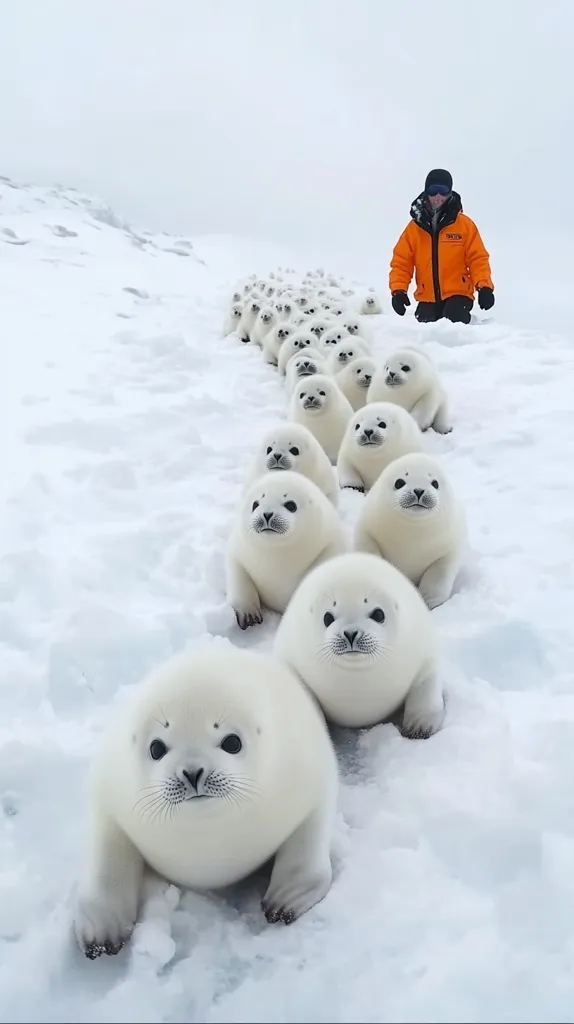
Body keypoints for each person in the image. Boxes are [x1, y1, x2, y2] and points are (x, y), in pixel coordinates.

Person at [389, 169, 494, 325]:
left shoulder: (464, 225)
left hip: (458, 294)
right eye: (433, 191)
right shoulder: (414, 229)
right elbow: (402, 261)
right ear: (426, 192)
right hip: (427, 297)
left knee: (453, 319)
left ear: (449, 193)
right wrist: (398, 290)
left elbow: (477, 258)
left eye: (443, 191)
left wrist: (484, 286)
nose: (438, 196)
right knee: (424, 327)